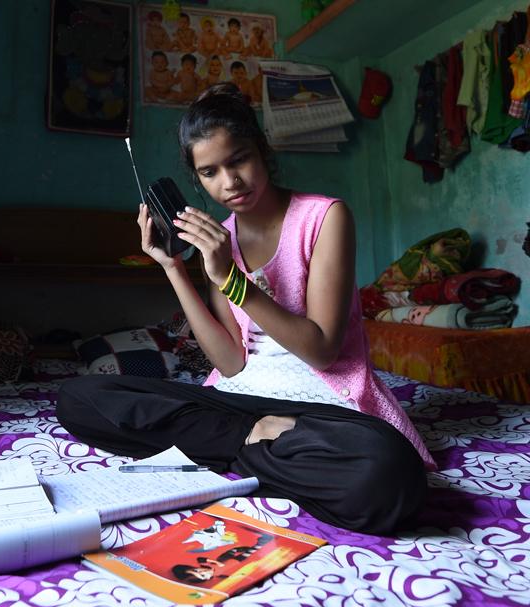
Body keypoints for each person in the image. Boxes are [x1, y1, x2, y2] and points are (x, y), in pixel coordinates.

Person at [56, 83, 435, 534]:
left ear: (262, 149)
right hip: (239, 406)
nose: (230, 182)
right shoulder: (218, 238)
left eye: (239, 160)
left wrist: (229, 279)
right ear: (196, 179)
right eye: (210, 172)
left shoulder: (325, 216)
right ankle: (251, 443)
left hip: (323, 406)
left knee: (389, 475)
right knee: (78, 398)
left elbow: (323, 351)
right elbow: (231, 363)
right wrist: (175, 267)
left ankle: (243, 451)